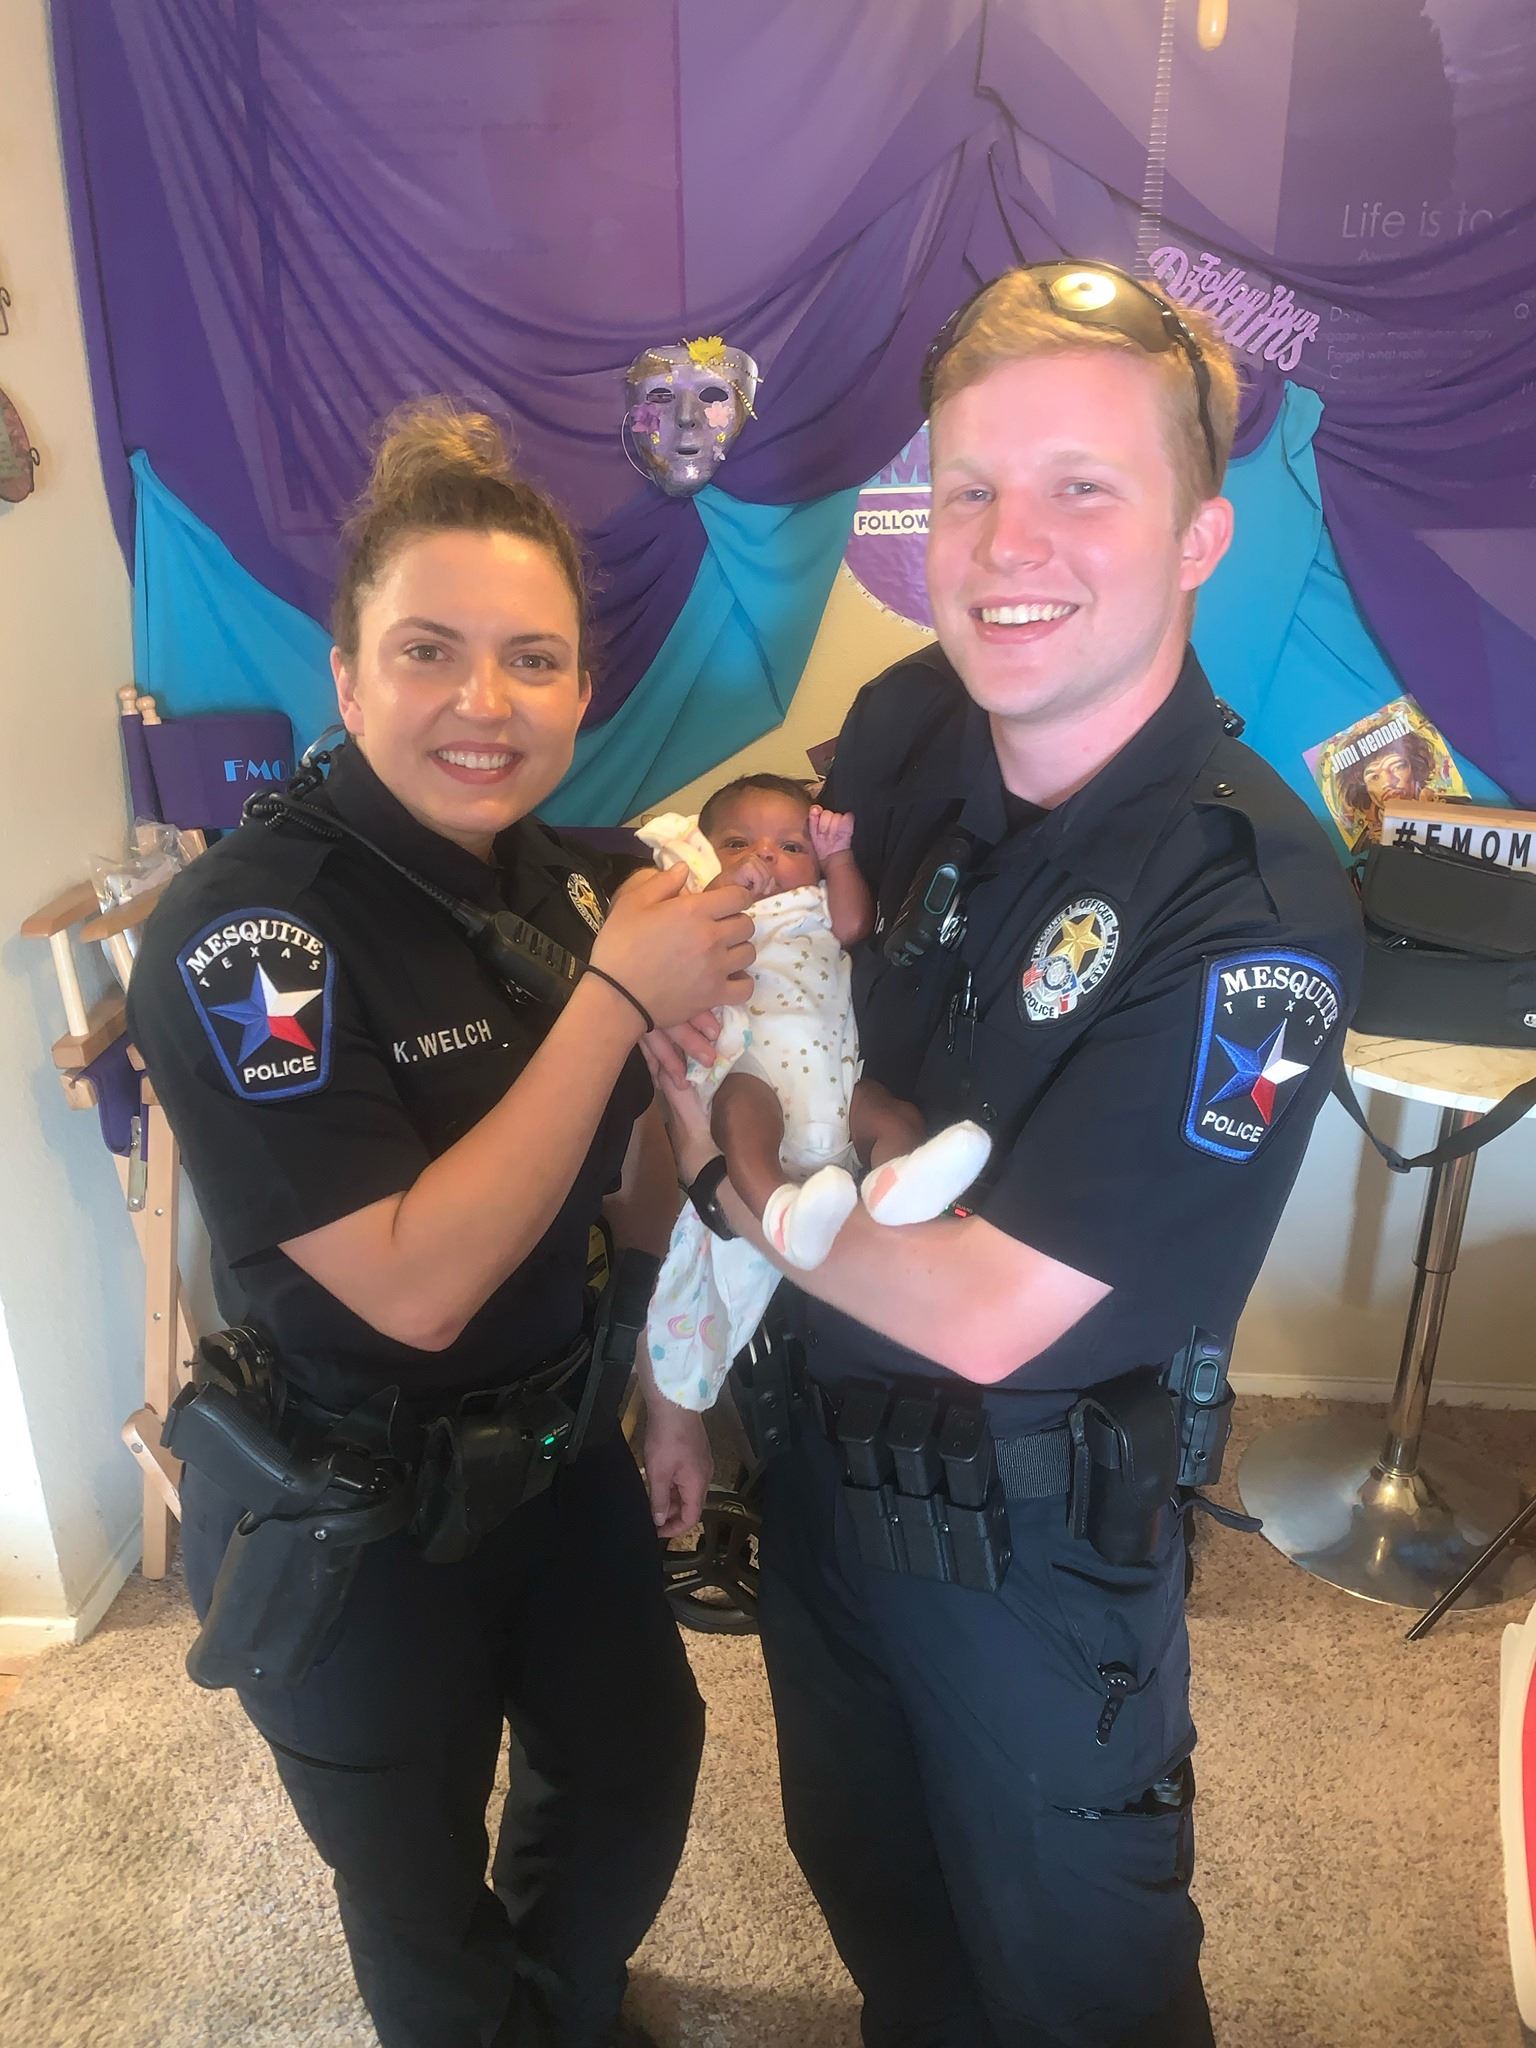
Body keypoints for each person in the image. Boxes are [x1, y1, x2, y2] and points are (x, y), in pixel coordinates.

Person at [654, 263, 1365, 2046]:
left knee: (1080, 1991)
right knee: (887, 1927)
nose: (1003, 542)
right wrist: (696, 1341)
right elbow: (808, 1002)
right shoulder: (907, 726)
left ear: (1198, 536)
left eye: (1080, 486)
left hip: (1028, 1551)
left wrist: (726, 1157)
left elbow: (987, 1308)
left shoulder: (1248, 908)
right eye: (968, 485)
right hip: (816, 1478)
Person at [126, 399, 756, 2048]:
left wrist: (673, 1370)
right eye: (429, 651)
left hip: (561, 1444)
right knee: (413, 1890)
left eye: (533, 659)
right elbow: (410, 1284)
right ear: (344, 673)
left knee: (635, 1762)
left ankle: (570, 2006)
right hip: (356, 1507)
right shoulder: (248, 930)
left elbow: (615, 1190)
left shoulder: (569, 878)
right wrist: (622, 996)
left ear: (582, 687)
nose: (486, 704)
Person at [636, 775, 988, 1409]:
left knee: (892, 1112)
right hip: (757, 1067)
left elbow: (856, 925)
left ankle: (897, 1186)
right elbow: (679, 937)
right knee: (741, 1113)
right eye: (740, 842)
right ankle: (779, 1210)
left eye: (791, 846)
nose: (765, 856)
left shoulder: (820, 903)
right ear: (707, 853)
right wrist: (724, 888)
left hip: (835, 1079)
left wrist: (840, 858)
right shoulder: (707, 906)